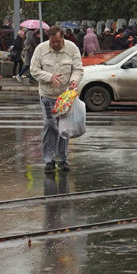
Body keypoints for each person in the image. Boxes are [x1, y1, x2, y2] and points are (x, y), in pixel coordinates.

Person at [29, 25, 84, 172]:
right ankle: (49, 159)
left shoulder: (72, 48)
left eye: (58, 42)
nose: (55, 45)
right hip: (48, 95)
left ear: (63, 38)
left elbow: (78, 69)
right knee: (50, 124)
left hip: (65, 96)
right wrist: (49, 77)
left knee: (64, 127)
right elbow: (33, 70)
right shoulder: (40, 50)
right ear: (49, 39)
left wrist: (74, 80)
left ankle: (63, 159)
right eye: (53, 42)